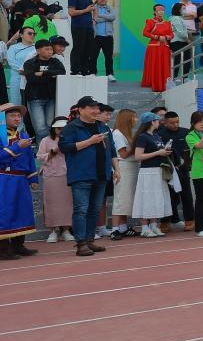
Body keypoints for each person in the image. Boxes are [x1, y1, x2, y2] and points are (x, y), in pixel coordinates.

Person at [60, 96, 117, 255]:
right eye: (92, 107)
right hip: (81, 175)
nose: (96, 110)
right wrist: (89, 142)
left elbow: (111, 150)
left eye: (97, 107)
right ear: (81, 109)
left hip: (101, 174)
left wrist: (117, 170)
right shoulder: (72, 127)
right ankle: (81, 243)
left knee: (95, 210)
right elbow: (64, 147)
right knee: (81, 210)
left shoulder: (103, 127)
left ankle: (90, 240)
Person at [0, 103, 39, 258]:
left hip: (21, 180)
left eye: (19, 116)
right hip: (3, 179)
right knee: (5, 213)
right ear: (3, 118)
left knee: (22, 212)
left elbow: (29, 158)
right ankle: (3, 249)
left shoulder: (23, 136)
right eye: (13, 116)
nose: (17, 119)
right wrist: (17, 147)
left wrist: (33, 177)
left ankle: (18, 245)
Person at [130, 112, 173, 237]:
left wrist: (164, 152)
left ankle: (154, 225)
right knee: (146, 198)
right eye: (157, 120)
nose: (159, 122)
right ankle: (144, 227)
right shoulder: (142, 137)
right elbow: (138, 156)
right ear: (152, 122)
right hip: (148, 172)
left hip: (158, 170)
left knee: (156, 198)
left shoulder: (156, 135)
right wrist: (158, 153)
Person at [39, 117, 74, 243]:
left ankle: (66, 230)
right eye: (59, 128)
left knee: (68, 204)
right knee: (51, 203)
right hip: (51, 176)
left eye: (64, 128)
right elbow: (40, 157)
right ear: (53, 128)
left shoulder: (71, 139)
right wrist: (54, 151)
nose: (61, 131)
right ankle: (52, 231)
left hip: (67, 174)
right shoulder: (45, 140)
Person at [22, 38, 64, 141]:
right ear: (38, 50)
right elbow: (31, 79)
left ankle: (50, 147)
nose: (50, 52)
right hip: (35, 98)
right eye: (47, 49)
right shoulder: (30, 63)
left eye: (51, 49)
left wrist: (43, 73)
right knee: (40, 128)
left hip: (51, 98)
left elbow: (62, 72)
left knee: (50, 125)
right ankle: (42, 148)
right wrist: (51, 76)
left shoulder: (55, 61)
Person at [107, 108, 139, 238]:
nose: (136, 119)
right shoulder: (117, 134)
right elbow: (123, 154)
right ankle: (115, 229)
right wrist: (137, 146)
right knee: (120, 198)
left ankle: (123, 227)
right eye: (134, 117)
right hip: (123, 167)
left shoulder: (126, 133)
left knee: (126, 199)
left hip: (130, 167)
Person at [162, 111, 196, 232]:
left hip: (183, 168)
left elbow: (191, 150)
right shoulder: (160, 134)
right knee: (168, 197)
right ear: (165, 123)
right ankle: (165, 222)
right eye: (172, 123)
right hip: (167, 169)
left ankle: (189, 221)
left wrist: (186, 164)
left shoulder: (185, 132)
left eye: (177, 122)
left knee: (187, 196)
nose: (175, 125)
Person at [67, 0, 96, 75]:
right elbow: (71, 12)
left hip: (88, 27)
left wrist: (94, 20)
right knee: (78, 48)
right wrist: (86, 10)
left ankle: (85, 69)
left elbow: (94, 8)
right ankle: (75, 70)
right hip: (78, 26)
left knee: (88, 49)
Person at [141, 4, 174, 92]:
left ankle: (164, 83)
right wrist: (157, 37)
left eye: (162, 10)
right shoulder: (150, 22)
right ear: (155, 12)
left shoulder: (167, 23)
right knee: (155, 65)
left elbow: (172, 34)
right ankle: (155, 83)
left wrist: (166, 37)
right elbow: (145, 33)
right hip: (154, 48)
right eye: (159, 10)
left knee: (164, 65)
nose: (161, 12)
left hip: (165, 47)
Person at [91, 0, 117, 79]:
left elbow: (113, 17)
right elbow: (92, 19)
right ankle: (92, 72)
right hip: (95, 36)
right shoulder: (92, 8)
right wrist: (106, 17)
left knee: (109, 57)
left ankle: (109, 74)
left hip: (108, 37)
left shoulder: (109, 8)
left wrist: (99, 15)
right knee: (93, 56)